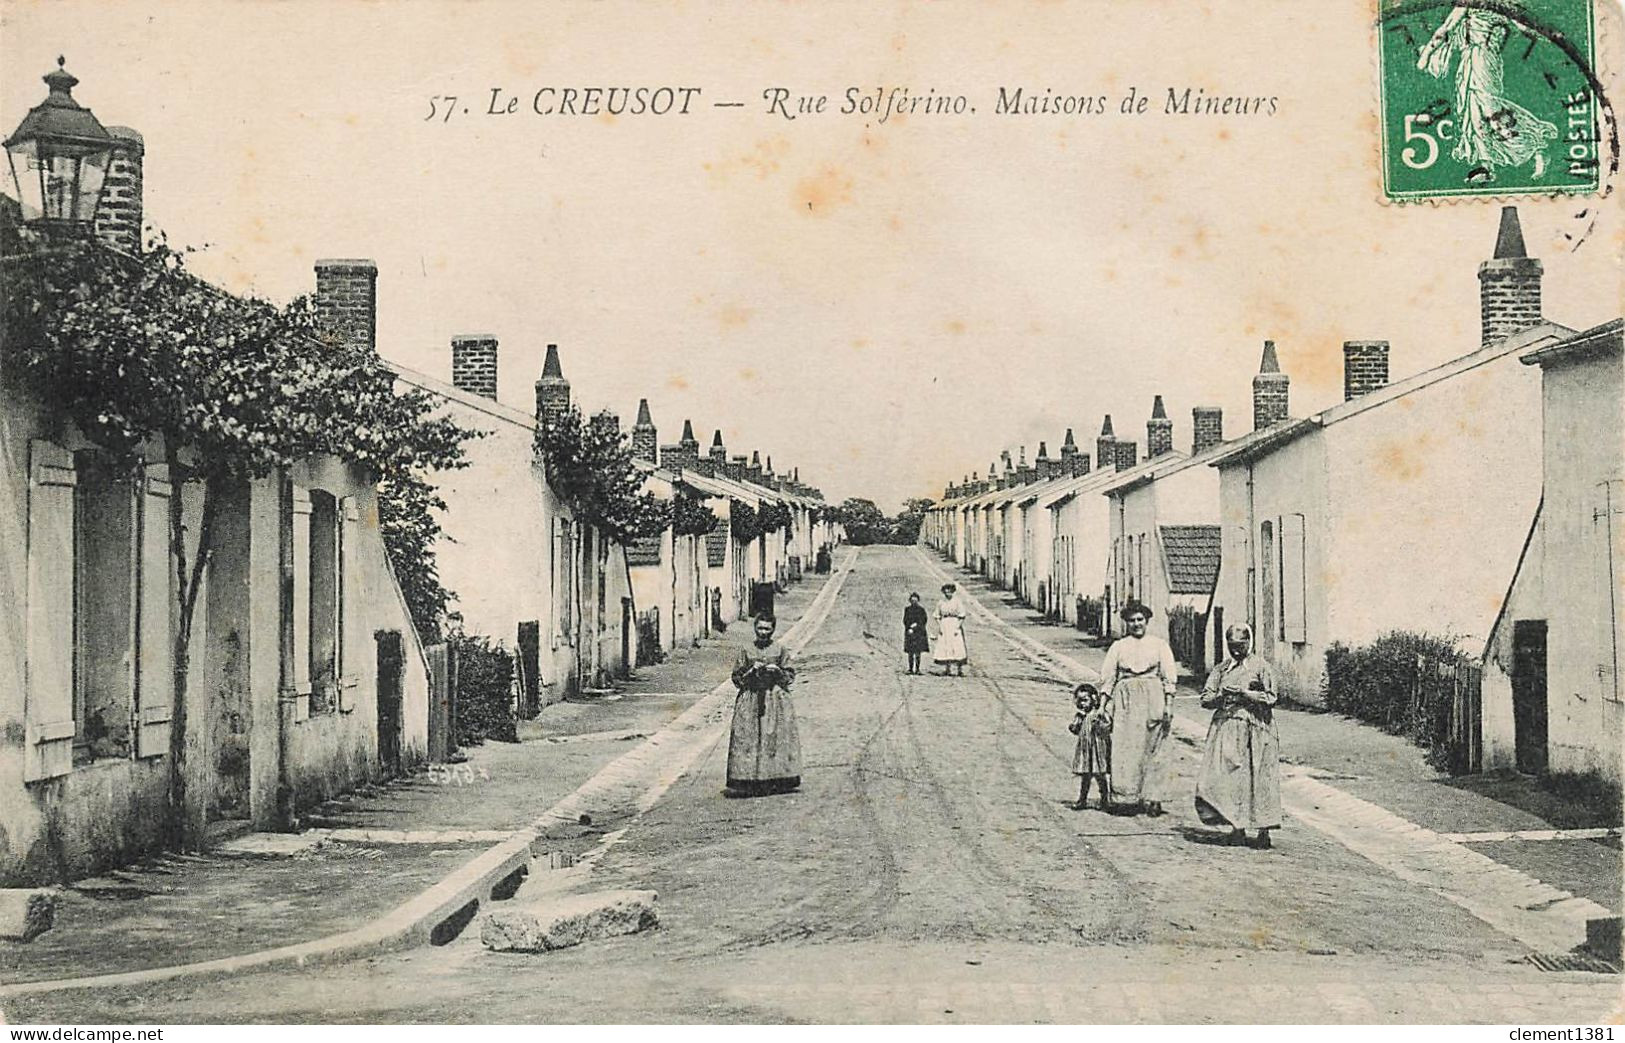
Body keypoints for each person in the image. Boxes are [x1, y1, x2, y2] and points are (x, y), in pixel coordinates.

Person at [1195, 624, 1282, 849]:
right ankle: (1237, 827)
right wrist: (1221, 697)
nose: (1236, 651)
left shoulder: (1261, 667)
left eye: (1240, 646)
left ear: (1249, 643)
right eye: (1232, 646)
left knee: (1259, 777)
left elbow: (1272, 697)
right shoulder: (1221, 670)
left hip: (1257, 728)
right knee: (1231, 777)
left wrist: (1247, 695)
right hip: (1227, 728)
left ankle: (1263, 830)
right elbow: (1205, 698)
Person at [1101, 601, 1177, 815]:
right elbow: (1108, 677)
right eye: (1132, 620)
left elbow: (1168, 676)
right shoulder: (1119, 647)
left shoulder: (1159, 645)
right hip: (1125, 700)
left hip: (1153, 696)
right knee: (1126, 748)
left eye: (1140, 620)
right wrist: (1102, 707)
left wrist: (1168, 706)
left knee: (1154, 748)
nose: (1136, 624)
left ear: (1147, 621)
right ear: (1126, 623)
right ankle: (1126, 797)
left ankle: (1152, 798)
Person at [725, 616, 801, 797]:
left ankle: (776, 779)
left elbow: (790, 676)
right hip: (751, 698)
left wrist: (778, 671)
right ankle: (748, 779)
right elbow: (736, 678)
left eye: (767, 629)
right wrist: (751, 671)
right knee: (748, 736)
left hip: (775, 699)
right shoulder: (746, 650)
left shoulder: (780, 649)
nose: (763, 633)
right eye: (760, 628)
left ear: (773, 630)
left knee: (774, 736)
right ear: (755, 629)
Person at [1068, 679, 1111, 811]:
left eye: (1085, 700)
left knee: (1100, 775)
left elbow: (1109, 726)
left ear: (1093, 699)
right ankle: (1082, 800)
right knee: (1085, 776)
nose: (1082, 704)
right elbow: (1075, 731)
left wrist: (1100, 724)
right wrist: (1074, 725)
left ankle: (1105, 800)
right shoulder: (1081, 716)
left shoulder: (1099, 714)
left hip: (1098, 749)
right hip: (1086, 750)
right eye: (1079, 700)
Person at [933, 583, 969, 676]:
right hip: (945, 625)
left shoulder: (957, 602)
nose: (947, 593)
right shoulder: (941, 602)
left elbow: (962, 615)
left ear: (953, 592)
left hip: (954, 623)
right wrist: (940, 626)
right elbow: (937, 615)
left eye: (949, 591)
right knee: (946, 645)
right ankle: (947, 668)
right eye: (946, 591)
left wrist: (958, 626)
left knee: (957, 645)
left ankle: (959, 669)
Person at [902, 593, 930, 675]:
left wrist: (916, 626)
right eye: (912, 600)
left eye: (915, 600)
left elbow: (924, 620)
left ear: (918, 600)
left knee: (918, 652)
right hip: (910, 633)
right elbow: (905, 620)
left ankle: (917, 669)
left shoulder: (921, 610)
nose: (914, 602)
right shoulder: (907, 609)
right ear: (910, 600)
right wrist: (909, 628)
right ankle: (910, 668)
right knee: (910, 652)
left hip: (919, 633)